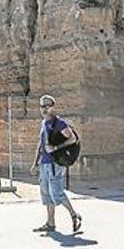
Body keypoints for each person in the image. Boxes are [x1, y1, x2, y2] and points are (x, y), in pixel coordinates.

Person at [30, 94, 83, 233]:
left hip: (55, 163)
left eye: (47, 105)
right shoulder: (43, 123)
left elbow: (72, 138)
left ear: (53, 107)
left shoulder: (58, 122)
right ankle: (50, 223)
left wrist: (55, 148)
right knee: (46, 194)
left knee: (57, 194)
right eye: (42, 106)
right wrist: (35, 162)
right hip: (44, 163)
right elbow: (40, 145)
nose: (44, 109)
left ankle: (74, 215)